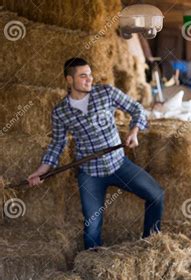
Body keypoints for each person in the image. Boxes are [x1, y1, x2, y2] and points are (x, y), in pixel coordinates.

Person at [28, 57, 164, 250]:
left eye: (90, 75)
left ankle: (151, 245)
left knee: (156, 195)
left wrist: (134, 132)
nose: (89, 79)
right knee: (91, 228)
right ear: (69, 80)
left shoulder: (106, 93)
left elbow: (137, 109)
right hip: (90, 173)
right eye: (83, 76)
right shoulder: (60, 112)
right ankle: (93, 263)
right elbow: (57, 145)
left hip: (118, 164)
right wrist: (41, 171)